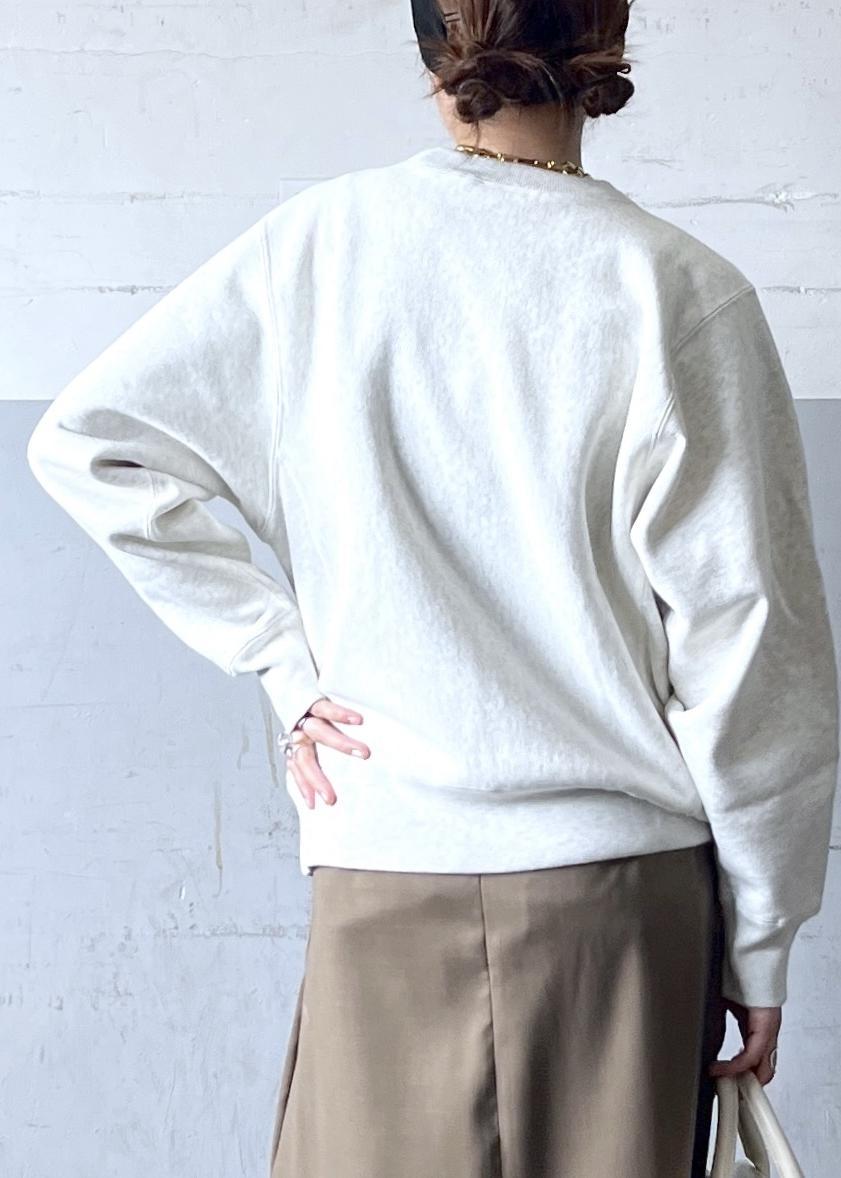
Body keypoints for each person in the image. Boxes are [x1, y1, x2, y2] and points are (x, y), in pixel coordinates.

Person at [26, 1, 838, 1175]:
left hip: (384, 871)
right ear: (606, 34)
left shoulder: (316, 251)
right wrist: (761, 943)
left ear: (431, 55)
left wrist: (282, 660)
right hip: (617, 905)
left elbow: (90, 442)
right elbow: (754, 653)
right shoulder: (676, 289)